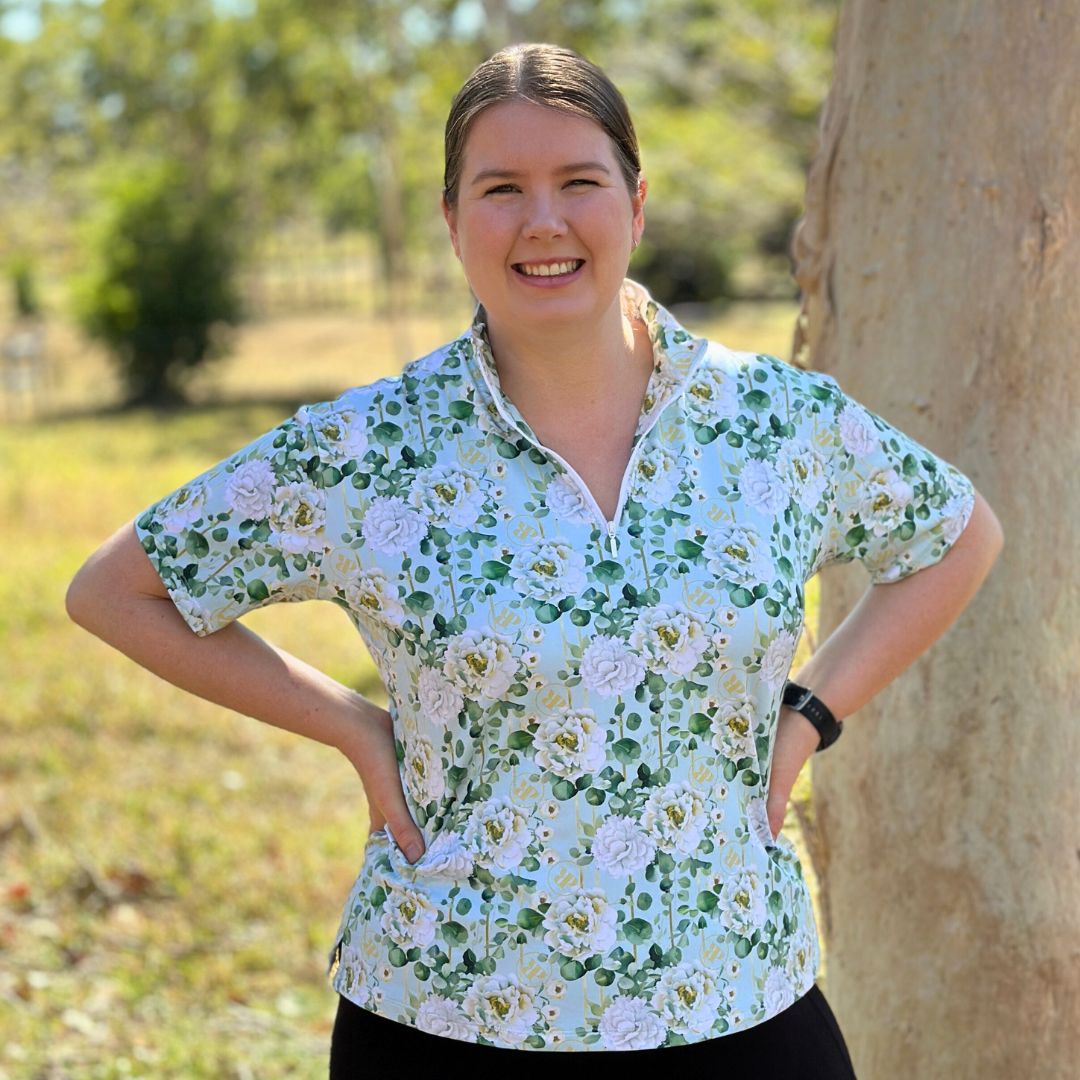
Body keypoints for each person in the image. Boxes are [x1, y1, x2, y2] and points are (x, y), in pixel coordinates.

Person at [66, 41, 1003, 1077]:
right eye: (501, 188)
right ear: (452, 220)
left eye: (578, 183)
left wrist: (812, 712)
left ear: (636, 205)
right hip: (451, 1009)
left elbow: (957, 535)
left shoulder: (773, 422)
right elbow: (116, 591)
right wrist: (350, 727)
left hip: (738, 990)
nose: (542, 220)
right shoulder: (370, 450)